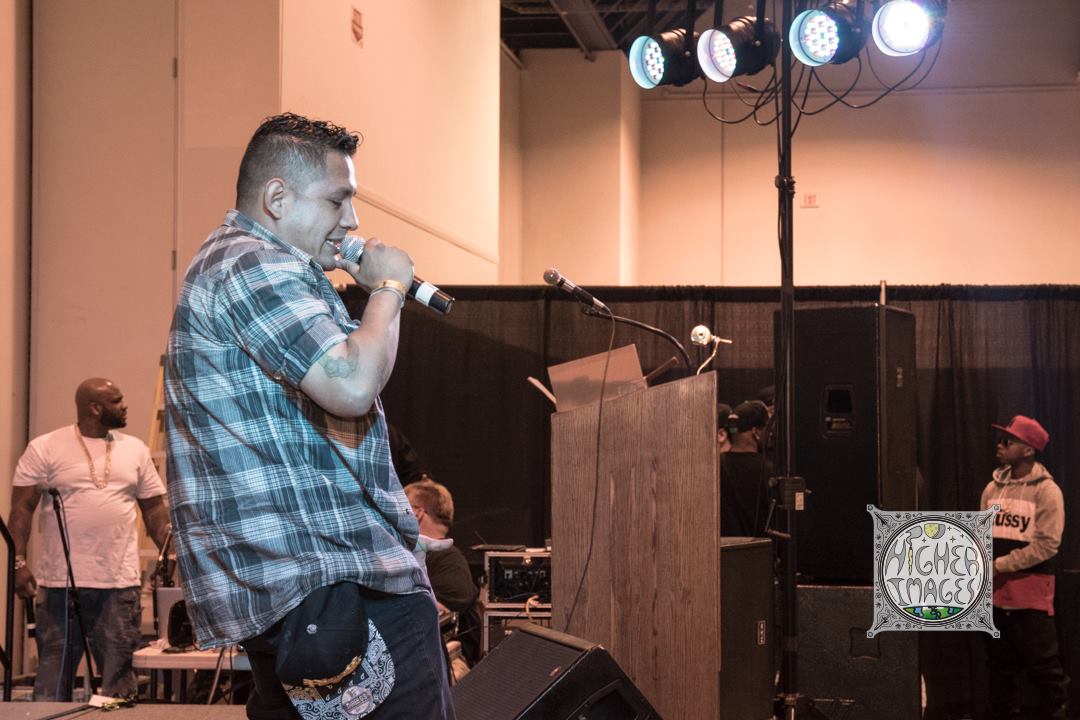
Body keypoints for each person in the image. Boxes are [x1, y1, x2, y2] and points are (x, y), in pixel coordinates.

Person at [164, 113, 453, 719]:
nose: (352, 221)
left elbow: (356, 380)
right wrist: (388, 289)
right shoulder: (252, 264)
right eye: (337, 200)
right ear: (277, 199)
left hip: (318, 591)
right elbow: (352, 385)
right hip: (334, 586)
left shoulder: (245, 266)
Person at [7, 378, 170, 700]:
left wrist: (171, 555)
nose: (124, 406)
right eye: (116, 400)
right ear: (95, 408)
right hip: (60, 586)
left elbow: (154, 510)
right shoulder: (45, 447)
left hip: (119, 586)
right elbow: (21, 509)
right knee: (52, 684)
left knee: (118, 687)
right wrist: (18, 563)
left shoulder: (135, 449)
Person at [980, 415, 1069, 720]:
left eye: (1008, 441)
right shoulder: (991, 489)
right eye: (1000, 439)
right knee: (999, 668)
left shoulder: (1047, 492)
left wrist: (999, 565)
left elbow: (1047, 545)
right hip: (995, 595)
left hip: (1030, 595)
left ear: (1029, 450)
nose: (1000, 445)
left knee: (1045, 669)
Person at [404, 479, 481, 668]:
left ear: (417, 512)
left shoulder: (448, 560)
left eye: (399, 507)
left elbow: (437, 613)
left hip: (438, 666)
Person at [720, 400, 773, 537]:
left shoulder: (714, 467)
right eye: (767, 428)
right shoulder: (769, 471)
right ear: (755, 432)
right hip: (761, 548)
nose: (771, 433)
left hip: (722, 548)